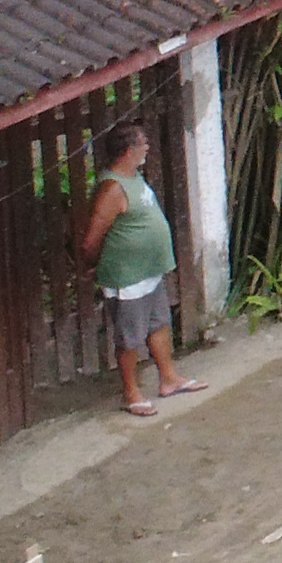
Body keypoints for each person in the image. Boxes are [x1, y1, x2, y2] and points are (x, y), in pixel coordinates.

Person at [74, 121, 191, 415]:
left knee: (159, 323)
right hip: (127, 278)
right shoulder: (112, 188)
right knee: (129, 337)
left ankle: (169, 378)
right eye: (143, 144)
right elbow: (91, 239)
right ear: (128, 151)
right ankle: (131, 392)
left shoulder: (133, 177)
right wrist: (90, 266)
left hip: (148, 273)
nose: (147, 148)